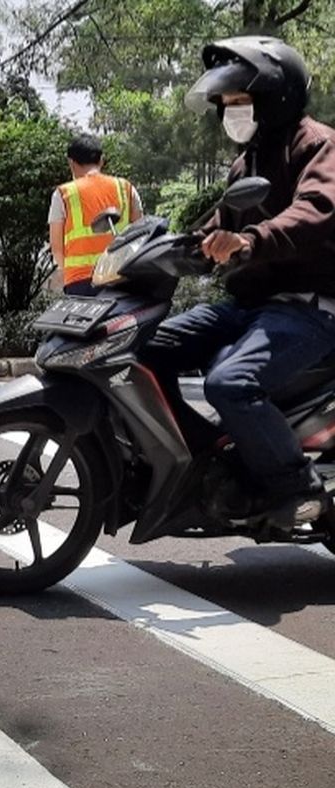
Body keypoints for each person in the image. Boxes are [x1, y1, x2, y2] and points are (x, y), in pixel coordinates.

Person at [140, 36, 335, 528]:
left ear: (275, 99)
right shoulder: (244, 162)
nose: (232, 113)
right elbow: (216, 224)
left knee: (230, 382)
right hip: (251, 306)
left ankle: (297, 486)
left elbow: (314, 214)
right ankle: (201, 460)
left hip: (309, 309)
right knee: (143, 348)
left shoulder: (319, 145)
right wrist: (165, 250)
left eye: (241, 101)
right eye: (226, 105)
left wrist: (249, 241)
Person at [48, 134, 143, 296]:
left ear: (71, 163)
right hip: (121, 277)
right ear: (101, 160)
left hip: (80, 282)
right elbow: (141, 234)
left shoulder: (63, 194)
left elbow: (57, 249)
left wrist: (68, 272)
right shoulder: (126, 188)